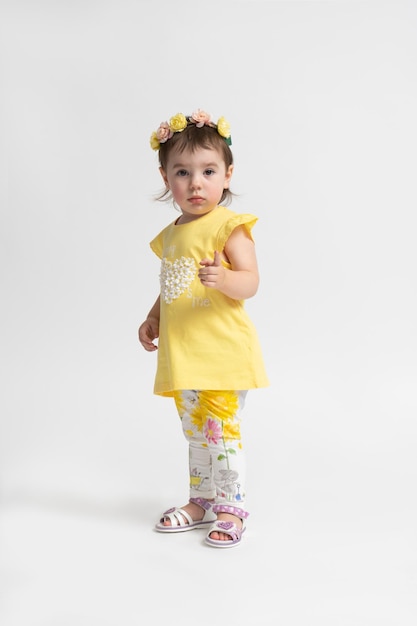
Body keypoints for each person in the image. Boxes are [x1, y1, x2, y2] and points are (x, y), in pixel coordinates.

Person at [138, 109, 269, 548]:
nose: (196, 183)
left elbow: (250, 282)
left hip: (220, 354)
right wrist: (155, 315)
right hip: (183, 354)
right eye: (183, 172)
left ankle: (232, 508)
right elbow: (171, 282)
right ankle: (200, 500)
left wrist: (225, 279)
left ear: (227, 175)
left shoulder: (230, 227)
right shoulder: (172, 235)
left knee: (221, 433)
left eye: (208, 171)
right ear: (165, 177)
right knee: (195, 434)